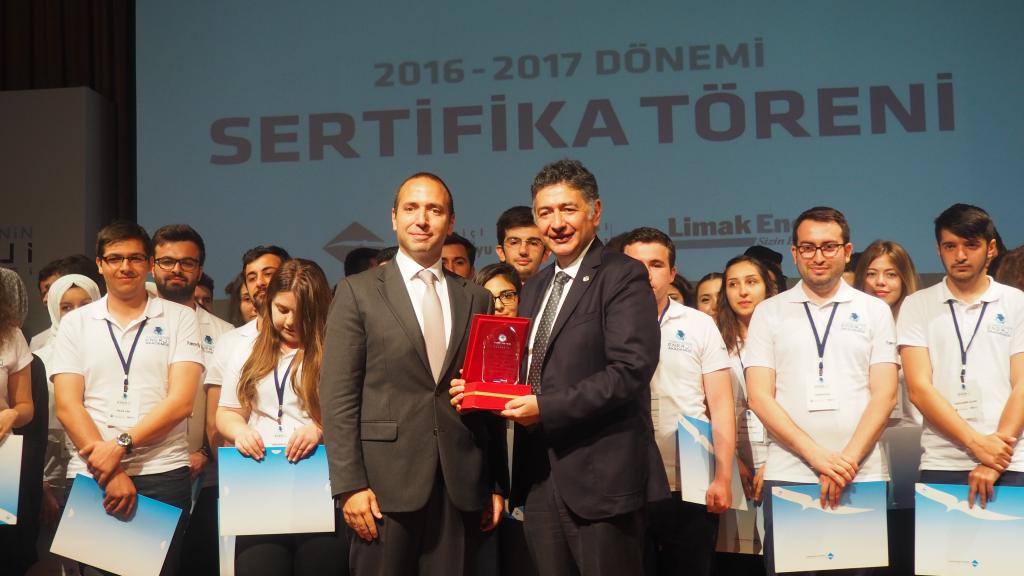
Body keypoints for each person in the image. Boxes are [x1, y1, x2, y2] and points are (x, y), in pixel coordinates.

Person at [484, 159, 665, 575]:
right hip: (539, 477)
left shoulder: (622, 276)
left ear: (595, 212)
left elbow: (630, 369)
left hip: (602, 480)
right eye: (545, 212)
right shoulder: (535, 287)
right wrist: (479, 388)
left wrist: (545, 407)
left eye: (568, 209)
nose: (557, 223)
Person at [321, 173, 506, 575]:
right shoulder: (357, 292)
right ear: (394, 218)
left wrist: (494, 482)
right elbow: (338, 397)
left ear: (450, 222)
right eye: (411, 208)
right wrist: (349, 485)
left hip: (460, 484)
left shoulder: (476, 297)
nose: (422, 219)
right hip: (381, 488)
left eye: (434, 210)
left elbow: (485, 398)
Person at [746, 207, 898, 576]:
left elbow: (885, 395)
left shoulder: (874, 310)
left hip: (860, 474)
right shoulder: (769, 312)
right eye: (808, 247)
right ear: (795, 253)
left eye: (829, 247)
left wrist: (845, 462)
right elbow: (759, 396)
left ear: (847, 251)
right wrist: (818, 457)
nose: (818, 256)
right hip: (791, 473)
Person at [51, 221, 204, 576]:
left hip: (161, 471)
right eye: (115, 258)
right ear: (100, 264)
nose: (125, 267)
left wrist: (120, 447)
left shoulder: (180, 318)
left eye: (135, 258)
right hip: (92, 473)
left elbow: (181, 401)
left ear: (149, 263)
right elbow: (68, 405)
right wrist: (109, 469)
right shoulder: (77, 323)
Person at [215, 259, 348, 575]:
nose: (290, 321)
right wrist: (240, 432)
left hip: (319, 482)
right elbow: (227, 412)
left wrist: (319, 428)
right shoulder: (246, 350)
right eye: (282, 309)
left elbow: (351, 410)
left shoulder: (337, 349)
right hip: (260, 480)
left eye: (301, 313)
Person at [622, 227, 734, 576]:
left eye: (655, 264)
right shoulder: (603, 323)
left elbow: (721, 405)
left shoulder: (699, 325)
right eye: (635, 265)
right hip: (624, 480)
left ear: (672, 273)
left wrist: (724, 476)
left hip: (691, 480)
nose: (645, 273)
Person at [899, 204, 1024, 509]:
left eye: (971, 245)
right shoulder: (917, 305)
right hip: (943, 459)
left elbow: (1022, 384)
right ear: (938, 249)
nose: (960, 256)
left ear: (991, 248)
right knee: (942, 543)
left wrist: (993, 458)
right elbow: (919, 389)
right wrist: (975, 444)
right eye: (950, 246)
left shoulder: (1016, 302)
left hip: (1010, 459)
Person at [151, 223, 235, 576]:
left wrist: (203, 452)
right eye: (167, 261)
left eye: (187, 263)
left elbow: (229, 405)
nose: (176, 270)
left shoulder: (225, 334)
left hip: (206, 476)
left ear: (199, 270)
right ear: (152, 266)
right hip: (145, 469)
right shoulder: (132, 324)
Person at [853, 239, 921, 576]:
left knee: (910, 546)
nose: (880, 282)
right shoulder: (851, 326)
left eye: (891, 274)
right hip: (864, 449)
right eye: (872, 273)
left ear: (905, 278)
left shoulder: (920, 325)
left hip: (915, 450)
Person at [32, 273, 101, 575]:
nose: (76, 314)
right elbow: (31, 430)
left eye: (85, 305)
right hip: (49, 472)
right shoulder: (38, 359)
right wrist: (40, 484)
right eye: (67, 307)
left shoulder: (113, 354)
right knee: (49, 562)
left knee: (95, 560)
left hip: (96, 467)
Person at [713, 255, 778, 572]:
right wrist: (732, 460)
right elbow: (706, 405)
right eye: (733, 284)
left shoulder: (784, 338)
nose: (742, 291)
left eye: (751, 282)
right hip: (731, 459)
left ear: (768, 288)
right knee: (737, 559)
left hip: (781, 457)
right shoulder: (716, 341)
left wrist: (774, 460)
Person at [0, 270, 38, 576]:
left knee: (3, 551)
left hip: (2, 458)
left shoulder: (11, 335)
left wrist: (12, 414)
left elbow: (26, 407)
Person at [495, 205, 550, 282]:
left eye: (533, 243)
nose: (523, 251)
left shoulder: (558, 288)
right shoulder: (486, 289)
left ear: (546, 254)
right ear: (501, 252)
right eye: (514, 243)